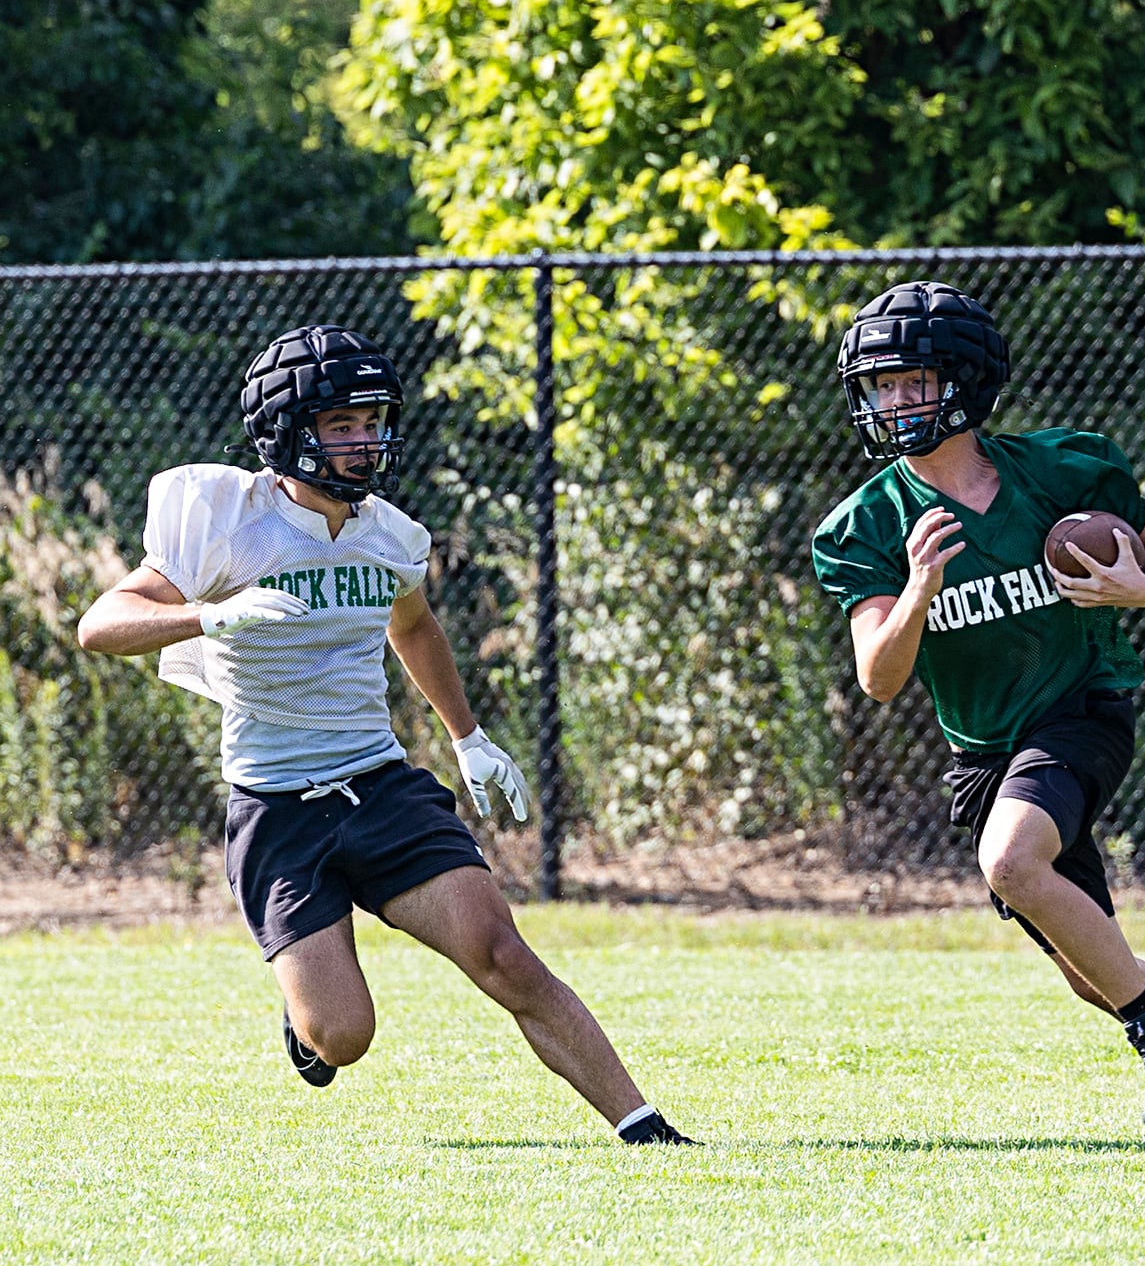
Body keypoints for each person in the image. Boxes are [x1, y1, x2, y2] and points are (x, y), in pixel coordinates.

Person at [76, 324, 690, 1146]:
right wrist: (210, 613)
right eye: (340, 425)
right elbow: (101, 623)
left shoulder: (389, 535)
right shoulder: (227, 519)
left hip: (379, 784)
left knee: (502, 952)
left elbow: (416, 625)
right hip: (277, 807)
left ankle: (644, 1126)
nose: (364, 442)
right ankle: (306, 1022)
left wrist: (469, 737)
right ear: (286, 429)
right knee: (343, 1035)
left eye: (371, 421)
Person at [810, 281, 1145, 1144]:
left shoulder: (1060, 468)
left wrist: (1144, 582)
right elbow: (879, 679)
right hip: (984, 750)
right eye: (882, 384)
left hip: (1081, 709)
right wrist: (917, 587)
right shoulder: (866, 526)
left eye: (914, 380)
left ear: (965, 379)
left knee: (1010, 857)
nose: (895, 400)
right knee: (1090, 965)